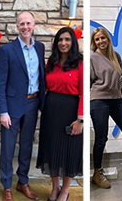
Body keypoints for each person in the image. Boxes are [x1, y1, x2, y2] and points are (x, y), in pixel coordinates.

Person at [0, 11, 47, 201]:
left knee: (26, 146)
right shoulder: (7, 50)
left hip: (33, 104)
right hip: (11, 106)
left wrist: (42, 104)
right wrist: (3, 111)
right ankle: (6, 186)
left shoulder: (40, 48)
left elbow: (40, 77)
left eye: (28, 23)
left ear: (34, 25)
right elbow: (0, 83)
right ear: (17, 27)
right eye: (21, 24)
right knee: (7, 148)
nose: (25, 27)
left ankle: (22, 182)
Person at [35, 27, 86, 201]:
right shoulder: (51, 62)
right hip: (51, 111)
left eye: (67, 39)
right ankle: (55, 187)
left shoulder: (81, 63)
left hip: (70, 112)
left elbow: (85, 94)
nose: (63, 43)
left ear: (73, 42)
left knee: (69, 151)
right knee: (52, 149)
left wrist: (81, 120)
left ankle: (65, 190)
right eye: (60, 40)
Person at [87, 27, 122, 187]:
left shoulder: (115, 56)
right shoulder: (91, 58)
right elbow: (87, 84)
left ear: (108, 39)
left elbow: (120, 80)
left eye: (103, 38)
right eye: (97, 39)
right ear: (94, 42)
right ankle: (97, 173)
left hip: (116, 100)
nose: (101, 41)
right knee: (102, 137)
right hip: (99, 100)